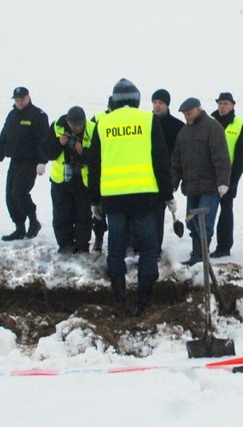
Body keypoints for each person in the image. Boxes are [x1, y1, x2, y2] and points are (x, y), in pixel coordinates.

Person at [89, 78, 175, 315]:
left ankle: (120, 299)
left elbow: (94, 164)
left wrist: (94, 199)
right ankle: (145, 301)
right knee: (148, 248)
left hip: (114, 199)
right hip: (144, 198)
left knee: (115, 250)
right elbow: (161, 160)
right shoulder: (148, 121)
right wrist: (168, 195)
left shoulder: (103, 123)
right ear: (136, 100)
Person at [171, 97, 231, 266]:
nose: (186, 116)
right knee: (192, 222)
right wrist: (172, 183)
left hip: (210, 187)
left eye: (189, 113)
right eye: (184, 114)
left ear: (198, 109)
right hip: (191, 188)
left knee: (205, 222)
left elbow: (221, 157)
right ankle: (196, 253)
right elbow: (176, 160)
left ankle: (200, 256)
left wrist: (223, 181)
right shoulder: (184, 132)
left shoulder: (212, 128)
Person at [0, 87, 48, 241]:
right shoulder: (12, 115)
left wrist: (42, 161)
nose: (19, 102)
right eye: (17, 100)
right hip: (15, 161)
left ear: (28, 98)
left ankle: (34, 222)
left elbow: (44, 140)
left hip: (30, 161)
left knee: (19, 192)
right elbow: (4, 140)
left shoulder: (38, 115)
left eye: (22, 99)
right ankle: (19, 228)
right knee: (10, 196)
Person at [44, 106, 94, 254]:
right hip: (61, 180)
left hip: (82, 181)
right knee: (61, 215)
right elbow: (46, 152)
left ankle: (82, 247)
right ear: (67, 121)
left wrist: (82, 152)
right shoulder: (56, 127)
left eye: (80, 125)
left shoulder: (92, 129)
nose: (77, 128)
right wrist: (59, 144)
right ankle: (64, 246)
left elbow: (97, 157)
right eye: (74, 125)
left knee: (83, 216)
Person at [209, 92, 243, 258]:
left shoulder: (241, 126)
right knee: (205, 212)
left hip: (228, 177)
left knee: (226, 211)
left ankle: (224, 247)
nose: (222, 106)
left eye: (226, 103)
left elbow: (242, 157)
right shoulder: (208, 122)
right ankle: (200, 247)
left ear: (233, 105)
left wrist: (233, 180)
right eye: (220, 103)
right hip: (207, 175)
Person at [152, 89, 185, 254]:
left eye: (161, 103)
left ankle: (156, 247)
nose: (157, 106)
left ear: (167, 105)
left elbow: (180, 155)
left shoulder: (177, 126)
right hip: (145, 175)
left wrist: (176, 178)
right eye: (155, 102)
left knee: (158, 213)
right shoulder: (145, 122)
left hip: (167, 176)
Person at [89, 96, 114, 252]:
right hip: (101, 170)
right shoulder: (98, 119)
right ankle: (98, 239)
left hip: (116, 172)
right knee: (99, 211)